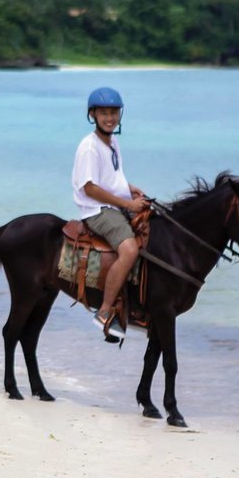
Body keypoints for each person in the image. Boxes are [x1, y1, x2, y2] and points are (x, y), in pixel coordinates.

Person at [71, 87, 149, 341]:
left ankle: (137, 306)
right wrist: (127, 205)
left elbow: (111, 178)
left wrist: (130, 189)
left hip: (114, 203)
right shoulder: (89, 147)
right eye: (103, 113)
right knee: (129, 249)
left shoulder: (112, 142)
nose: (109, 118)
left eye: (114, 113)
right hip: (96, 210)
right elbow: (90, 187)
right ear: (92, 114)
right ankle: (104, 311)